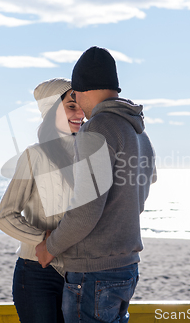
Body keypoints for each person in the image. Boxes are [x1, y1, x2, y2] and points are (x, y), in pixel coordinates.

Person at [36, 46, 157, 323]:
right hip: (127, 267)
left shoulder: (97, 128)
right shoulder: (138, 132)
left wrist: (50, 247)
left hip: (94, 272)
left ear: (82, 90)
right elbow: (139, 196)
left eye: (75, 96)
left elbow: (85, 210)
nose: (78, 106)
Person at [0, 77, 85, 323]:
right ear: (51, 111)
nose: (81, 113)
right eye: (71, 106)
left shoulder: (91, 154)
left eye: (82, 106)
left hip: (81, 274)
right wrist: (43, 239)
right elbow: (4, 216)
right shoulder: (34, 156)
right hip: (37, 273)